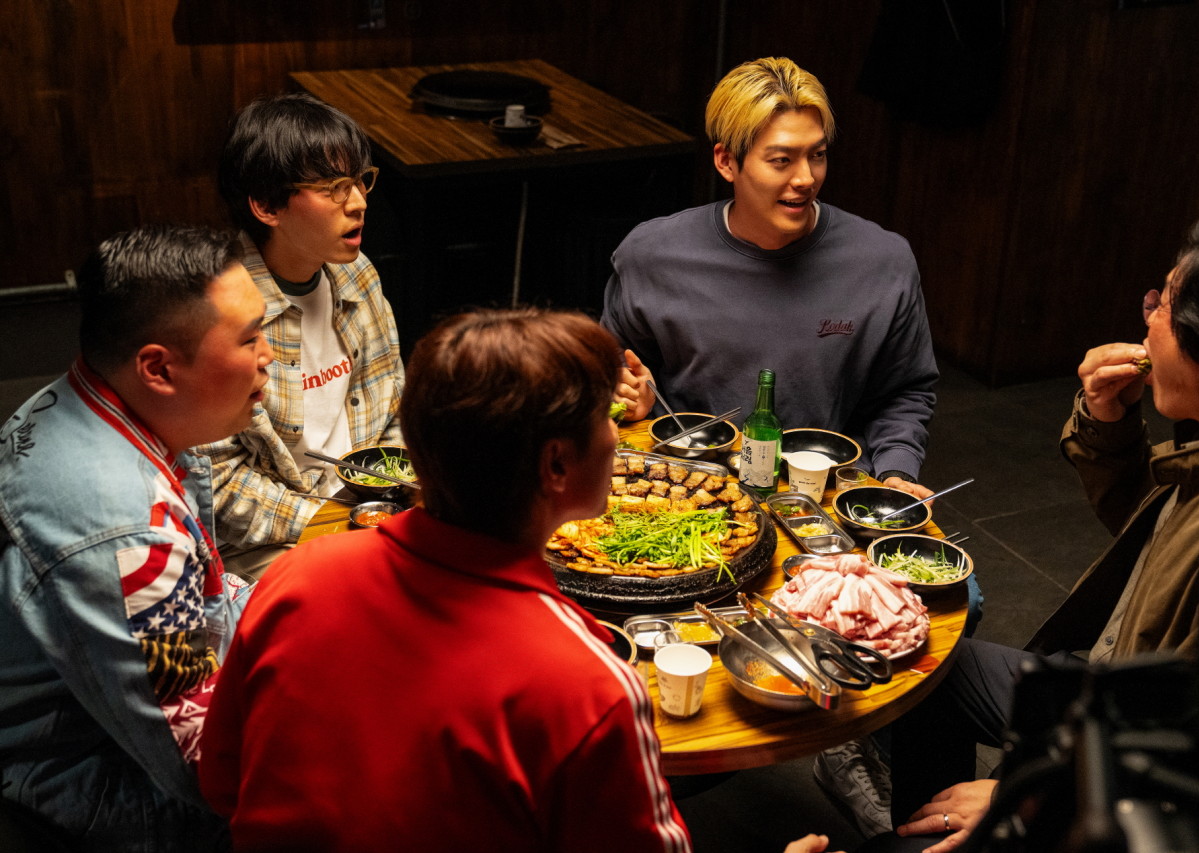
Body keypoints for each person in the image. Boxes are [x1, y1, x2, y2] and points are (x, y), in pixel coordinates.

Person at [198, 307, 843, 853]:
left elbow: (222, 782)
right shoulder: (585, 683)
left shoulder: (296, 577)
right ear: (556, 465)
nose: (618, 435)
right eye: (606, 417)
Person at [870, 218, 1199, 853]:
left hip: (1138, 782)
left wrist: (1027, 798)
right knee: (929, 671)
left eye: (1164, 304)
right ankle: (937, 827)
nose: (1148, 321)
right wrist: (1108, 421)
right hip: (1110, 688)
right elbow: (1158, 540)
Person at [0, 224, 269, 851]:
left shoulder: (90, 400)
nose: (269, 356)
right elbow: (204, 765)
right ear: (158, 367)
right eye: (250, 337)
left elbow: (204, 602)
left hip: (105, 716)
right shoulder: (127, 532)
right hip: (77, 772)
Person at [604, 56, 938, 500]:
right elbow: (613, 371)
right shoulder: (652, 255)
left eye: (817, 155)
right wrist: (630, 400)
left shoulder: (882, 261)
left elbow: (904, 390)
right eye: (782, 160)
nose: (806, 178)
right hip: (687, 487)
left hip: (821, 497)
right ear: (727, 161)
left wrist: (896, 467)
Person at [195, 92, 404, 581]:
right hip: (271, 539)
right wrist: (339, 524)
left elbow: (394, 405)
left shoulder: (357, 274)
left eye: (361, 181)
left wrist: (393, 500)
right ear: (267, 205)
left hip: (367, 508)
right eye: (334, 188)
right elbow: (220, 485)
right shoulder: (218, 311)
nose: (359, 202)